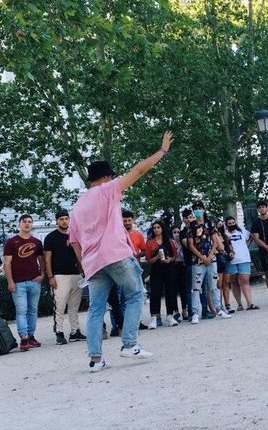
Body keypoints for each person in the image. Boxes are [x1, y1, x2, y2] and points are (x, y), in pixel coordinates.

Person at [68, 132, 172, 372]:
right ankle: (129, 344)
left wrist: (86, 266)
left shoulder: (77, 207)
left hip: (93, 262)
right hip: (115, 254)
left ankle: (95, 358)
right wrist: (162, 151)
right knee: (135, 294)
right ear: (106, 177)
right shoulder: (106, 190)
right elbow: (138, 171)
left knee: (96, 309)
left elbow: (74, 242)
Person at [3, 214, 46, 351]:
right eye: (24, 222)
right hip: (18, 283)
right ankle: (24, 338)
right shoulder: (11, 242)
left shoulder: (37, 242)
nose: (27, 224)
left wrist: (42, 275)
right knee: (21, 311)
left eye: (29, 222)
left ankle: (31, 336)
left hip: (34, 281)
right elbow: (7, 263)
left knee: (33, 311)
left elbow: (41, 260)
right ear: (19, 224)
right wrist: (10, 281)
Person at [43, 210, 86, 345]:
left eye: (66, 218)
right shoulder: (51, 237)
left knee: (74, 307)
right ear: (57, 221)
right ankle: (59, 333)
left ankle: (75, 331)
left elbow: (79, 255)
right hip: (59, 276)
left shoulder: (74, 235)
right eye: (61, 219)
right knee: (60, 307)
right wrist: (50, 276)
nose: (64, 221)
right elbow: (47, 258)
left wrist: (82, 272)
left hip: (75, 274)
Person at [187, 201, 231, 322]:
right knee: (196, 287)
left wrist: (210, 256)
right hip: (197, 261)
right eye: (195, 209)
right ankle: (195, 313)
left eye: (200, 208)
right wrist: (202, 257)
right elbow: (191, 245)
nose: (198, 210)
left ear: (203, 209)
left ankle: (219, 309)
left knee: (214, 286)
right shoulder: (192, 226)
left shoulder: (210, 224)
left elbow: (215, 241)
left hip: (211, 259)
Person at [145, 221, 179, 328]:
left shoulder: (169, 242)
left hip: (169, 269)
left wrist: (170, 259)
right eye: (154, 228)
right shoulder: (150, 243)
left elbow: (174, 255)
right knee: (155, 293)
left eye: (158, 227)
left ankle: (170, 315)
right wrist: (157, 258)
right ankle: (154, 317)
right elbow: (149, 260)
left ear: (162, 228)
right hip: (156, 270)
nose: (156, 229)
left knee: (170, 292)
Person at [225, 216, 258, 310]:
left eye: (233, 222)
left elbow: (251, 236)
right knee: (234, 282)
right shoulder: (225, 233)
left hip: (244, 258)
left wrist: (247, 245)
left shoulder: (242, 231)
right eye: (229, 223)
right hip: (231, 261)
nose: (232, 224)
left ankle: (250, 303)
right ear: (226, 224)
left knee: (245, 280)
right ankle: (239, 304)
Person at [172, 223, 189, 322]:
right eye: (174, 232)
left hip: (183, 265)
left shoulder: (184, 242)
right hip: (174, 266)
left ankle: (184, 309)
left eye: (178, 232)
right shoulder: (170, 243)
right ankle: (175, 311)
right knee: (173, 290)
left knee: (184, 289)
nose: (176, 234)